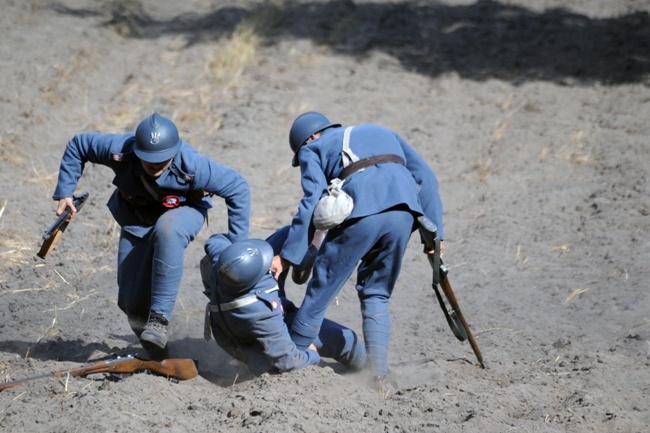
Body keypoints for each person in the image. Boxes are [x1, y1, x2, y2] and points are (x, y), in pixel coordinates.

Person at [51, 112, 250, 359]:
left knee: (168, 229)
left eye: (163, 160)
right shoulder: (118, 150)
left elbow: (238, 188)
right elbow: (79, 145)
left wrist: (237, 247)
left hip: (182, 212)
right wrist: (65, 191)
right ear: (136, 150)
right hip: (137, 218)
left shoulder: (192, 165)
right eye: (149, 159)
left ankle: (159, 319)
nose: (156, 165)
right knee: (130, 303)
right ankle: (159, 355)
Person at [270, 111, 445, 390]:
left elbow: (311, 201)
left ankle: (291, 368)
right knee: (377, 294)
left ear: (311, 138)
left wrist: (287, 257)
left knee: (318, 296)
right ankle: (379, 377)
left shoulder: (312, 148)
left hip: (362, 212)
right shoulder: (383, 131)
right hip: (404, 214)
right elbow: (427, 179)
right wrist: (434, 239)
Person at [201, 228, 366, 375]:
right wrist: (312, 355)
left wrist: (241, 250)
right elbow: (288, 361)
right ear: (257, 281)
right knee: (349, 342)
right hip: (255, 339)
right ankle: (364, 369)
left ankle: (304, 263)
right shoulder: (263, 314)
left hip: (230, 313)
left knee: (289, 233)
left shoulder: (222, 261)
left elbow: (215, 239)